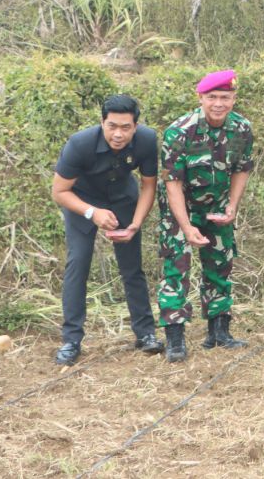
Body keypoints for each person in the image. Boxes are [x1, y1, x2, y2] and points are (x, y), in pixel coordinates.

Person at [50, 94, 164, 365]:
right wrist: (93, 213)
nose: (118, 134)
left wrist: (136, 223)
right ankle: (71, 339)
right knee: (78, 263)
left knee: (132, 267)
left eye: (125, 127)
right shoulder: (80, 144)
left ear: (136, 126)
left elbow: (149, 184)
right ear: (102, 122)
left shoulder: (147, 140)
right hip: (82, 201)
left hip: (123, 199)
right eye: (111, 126)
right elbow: (59, 191)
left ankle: (145, 333)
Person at [157, 69, 255, 362]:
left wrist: (232, 206)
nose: (218, 103)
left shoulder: (241, 129)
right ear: (200, 98)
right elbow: (172, 184)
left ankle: (219, 332)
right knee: (177, 269)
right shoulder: (179, 131)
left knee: (220, 265)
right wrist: (186, 227)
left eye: (225, 97)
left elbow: (242, 169)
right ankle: (175, 338)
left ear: (234, 99)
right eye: (212, 97)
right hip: (180, 209)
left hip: (217, 205)